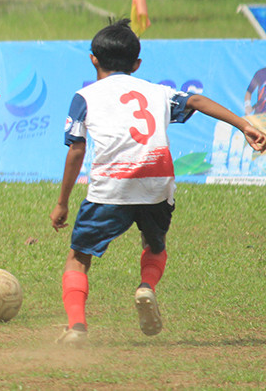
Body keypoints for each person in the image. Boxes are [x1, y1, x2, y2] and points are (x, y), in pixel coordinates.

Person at [50, 19, 266, 346]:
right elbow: (195, 101)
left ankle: (77, 328)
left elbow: (77, 150)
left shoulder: (85, 97)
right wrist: (243, 124)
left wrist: (62, 202)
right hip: (158, 185)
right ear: (137, 64)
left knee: (79, 257)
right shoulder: (158, 91)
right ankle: (146, 287)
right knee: (154, 245)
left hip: (112, 187)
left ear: (92, 58)